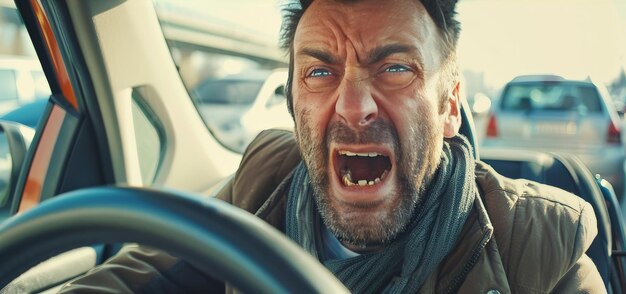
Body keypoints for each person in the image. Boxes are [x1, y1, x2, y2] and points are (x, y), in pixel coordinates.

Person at [60, 0, 604, 292]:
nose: (351, 105)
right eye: (319, 71)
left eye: (394, 68)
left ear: (449, 106)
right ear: (295, 102)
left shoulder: (539, 251)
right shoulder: (261, 185)